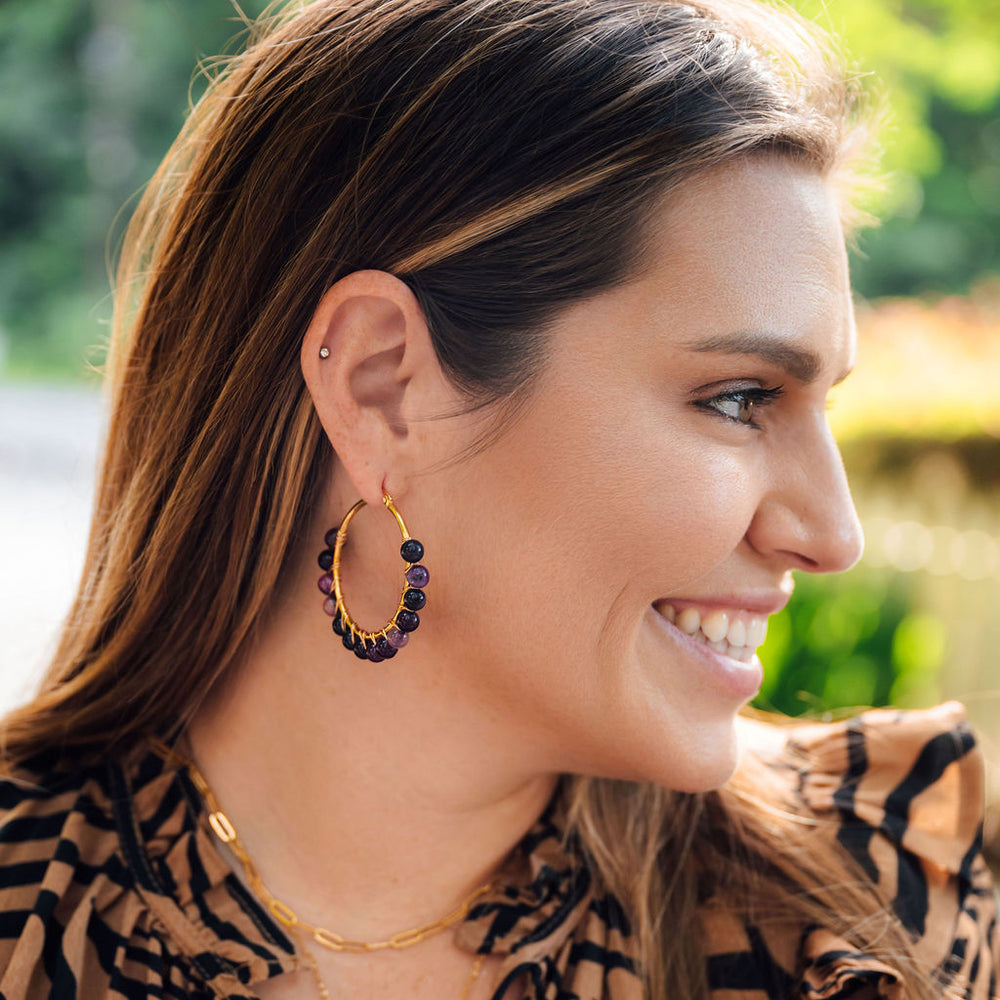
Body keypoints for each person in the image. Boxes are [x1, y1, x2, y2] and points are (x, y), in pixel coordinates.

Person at [0, 0, 996, 997]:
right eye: (739, 398)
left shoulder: (887, 913)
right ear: (382, 387)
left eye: (821, 405)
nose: (832, 534)